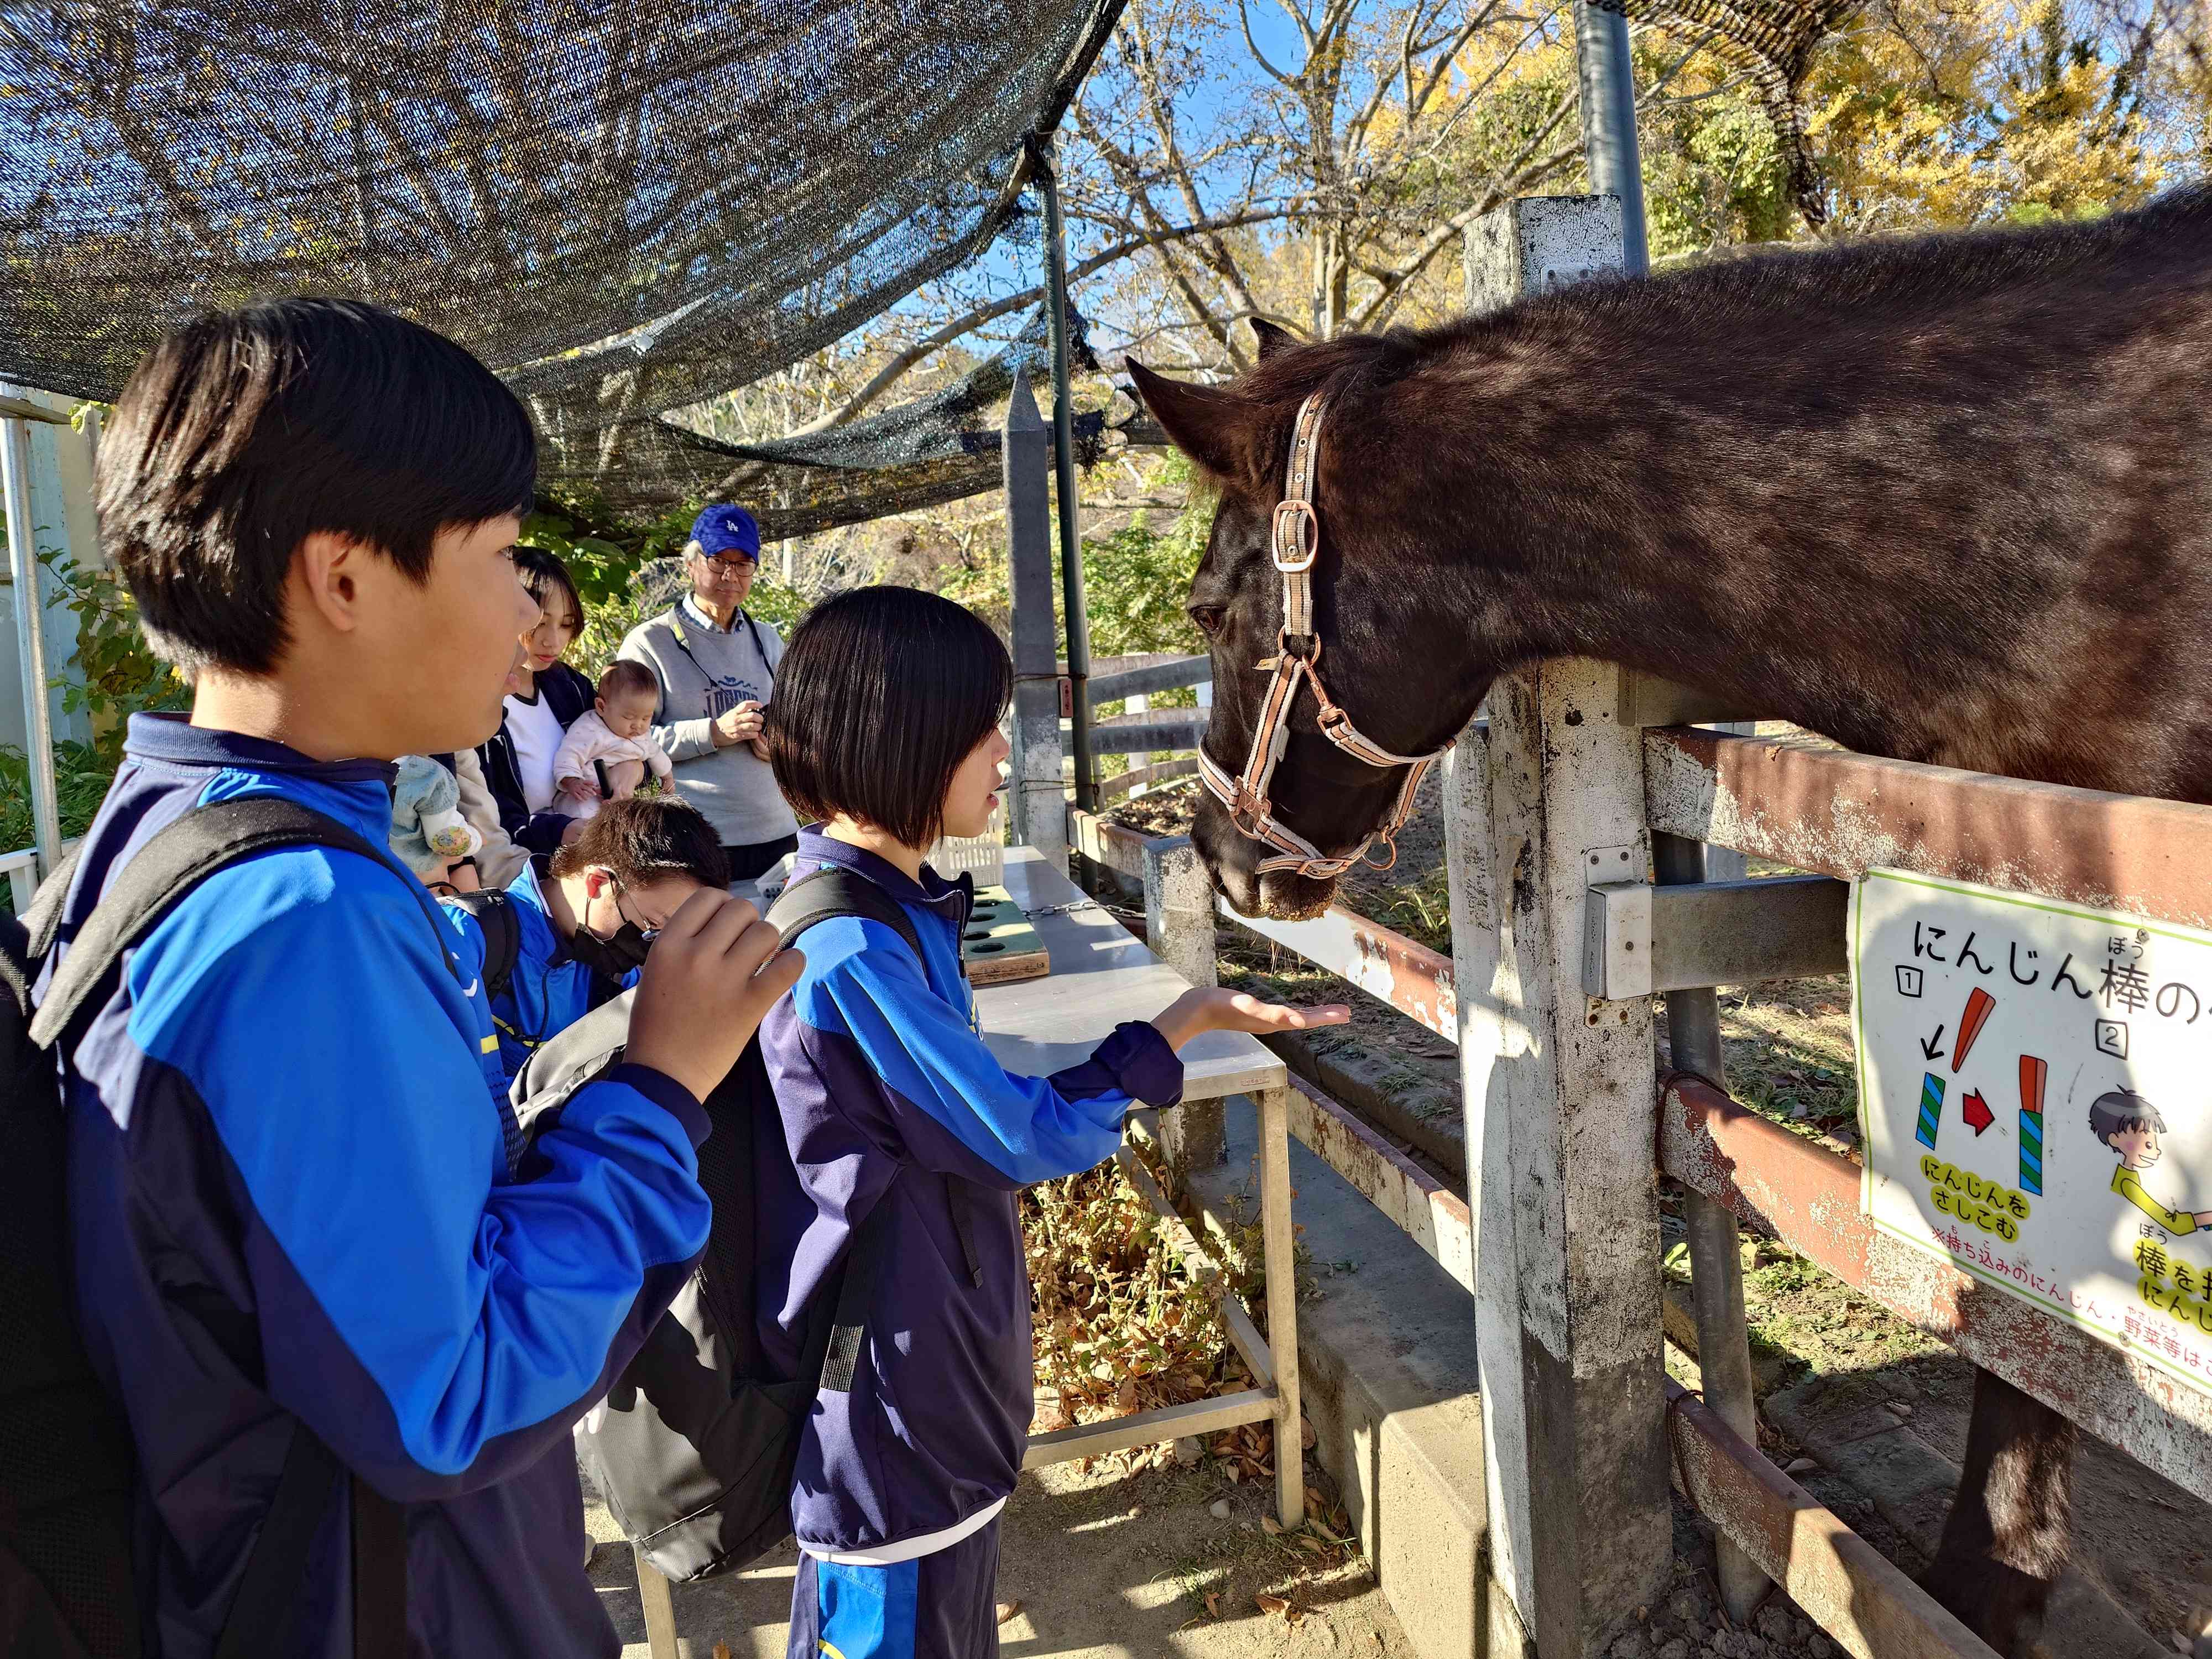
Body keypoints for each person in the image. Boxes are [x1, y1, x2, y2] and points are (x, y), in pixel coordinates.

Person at [39, 297, 800, 1657]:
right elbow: (451, 1395)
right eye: (504, 557)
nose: (527, 611)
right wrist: (661, 1084)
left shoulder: (158, 833)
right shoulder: (297, 920)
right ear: (344, 579)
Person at [755, 586, 1348, 1659]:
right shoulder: (850, 952)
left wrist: (1189, 1015)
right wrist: (1168, 1034)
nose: (999, 749)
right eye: (979, 725)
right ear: (905, 737)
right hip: (891, 1428)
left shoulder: (887, 908)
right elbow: (1022, 1134)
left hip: (926, 1402)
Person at [447, 794, 730, 1084]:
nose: (652, 946)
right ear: (597, 883)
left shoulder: (617, 972)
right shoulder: (465, 938)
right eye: (653, 925)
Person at [619, 504, 799, 882]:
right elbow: (625, 740)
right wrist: (713, 733)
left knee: (782, 940)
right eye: (719, 561)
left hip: (778, 834)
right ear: (691, 564)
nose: (730, 575)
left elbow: (797, 721)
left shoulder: (767, 639)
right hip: (696, 838)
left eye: (743, 563)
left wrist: (780, 743)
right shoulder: (650, 642)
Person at [478, 544, 597, 853]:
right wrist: (558, 830)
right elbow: (484, 816)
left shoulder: (573, 687)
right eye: (539, 623)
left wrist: (630, 770)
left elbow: (625, 743)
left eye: (566, 624)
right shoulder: (472, 699)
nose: (553, 640)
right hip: (520, 870)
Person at [552, 659, 676, 820]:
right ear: (602, 707)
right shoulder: (590, 729)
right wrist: (572, 781)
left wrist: (667, 778)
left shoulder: (640, 735)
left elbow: (656, 753)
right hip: (584, 794)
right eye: (629, 717)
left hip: (620, 795)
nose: (638, 725)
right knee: (587, 819)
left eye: (646, 718)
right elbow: (569, 754)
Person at [388, 752, 484, 895]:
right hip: (424, 882)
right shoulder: (425, 774)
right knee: (464, 871)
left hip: (373, 878)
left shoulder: (349, 765)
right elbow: (449, 842)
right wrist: (477, 839)